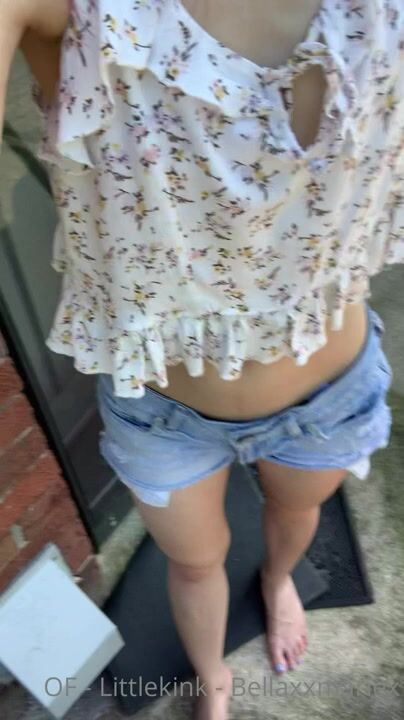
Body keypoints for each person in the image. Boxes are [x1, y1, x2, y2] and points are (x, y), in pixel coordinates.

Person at [1, 1, 402, 718]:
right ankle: (211, 674)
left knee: (296, 513)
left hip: (325, 396)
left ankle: (277, 581)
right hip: (162, 414)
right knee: (193, 563)